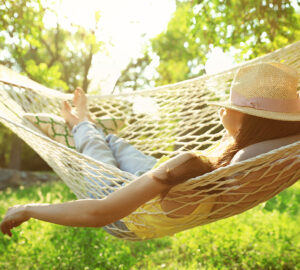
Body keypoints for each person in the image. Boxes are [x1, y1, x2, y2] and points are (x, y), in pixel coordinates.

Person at [1, 62, 300, 239]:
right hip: (164, 176)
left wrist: (27, 208)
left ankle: (79, 125)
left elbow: (99, 211)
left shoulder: (227, 164)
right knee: (118, 145)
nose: (223, 107)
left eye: (232, 105)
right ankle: (93, 124)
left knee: (96, 148)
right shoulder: (253, 155)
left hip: (124, 202)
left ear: (253, 121)